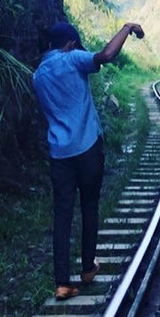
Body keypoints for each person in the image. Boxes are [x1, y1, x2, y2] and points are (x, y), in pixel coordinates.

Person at [33, 19, 144, 300]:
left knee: (62, 213)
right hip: (87, 147)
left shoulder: (38, 75)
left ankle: (61, 283)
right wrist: (127, 28)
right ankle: (86, 268)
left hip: (59, 152)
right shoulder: (72, 59)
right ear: (70, 44)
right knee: (90, 205)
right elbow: (105, 56)